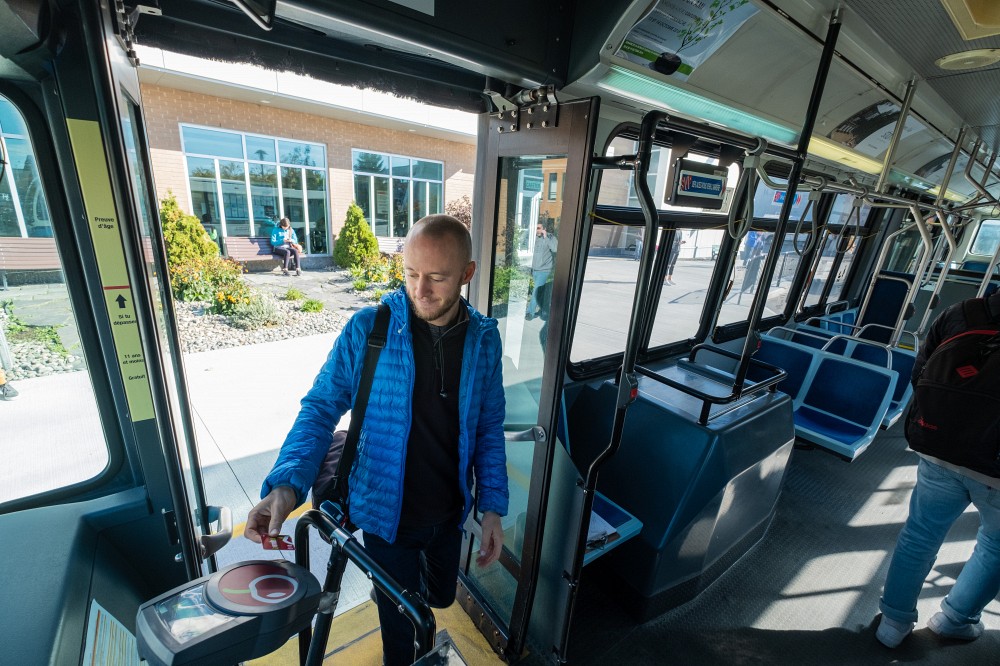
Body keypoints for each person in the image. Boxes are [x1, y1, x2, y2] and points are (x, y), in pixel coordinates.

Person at [246, 214, 508, 666]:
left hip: (450, 513)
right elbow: (321, 408)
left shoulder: (484, 341)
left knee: (440, 600)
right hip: (386, 519)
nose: (420, 291)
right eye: (410, 274)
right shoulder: (370, 330)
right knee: (399, 634)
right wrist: (286, 487)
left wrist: (492, 509)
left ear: (467, 274)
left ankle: (410, 595)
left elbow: (488, 428)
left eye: (437, 278)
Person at [875, 289, 1000, 648]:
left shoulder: (962, 312)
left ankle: (892, 624)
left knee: (920, 534)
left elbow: (922, 371)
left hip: (938, 447)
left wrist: (946, 421)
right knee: (994, 546)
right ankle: (954, 621)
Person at [528, 222, 557, 320]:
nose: (537, 230)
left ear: (544, 228)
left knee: (536, 291)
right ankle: (544, 311)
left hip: (544, 270)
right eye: (536, 229)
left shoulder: (550, 237)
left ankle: (530, 313)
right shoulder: (534, 238)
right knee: (539, 292)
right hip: (534, 270)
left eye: (539, 228)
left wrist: (546, 237)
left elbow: (555, 249)